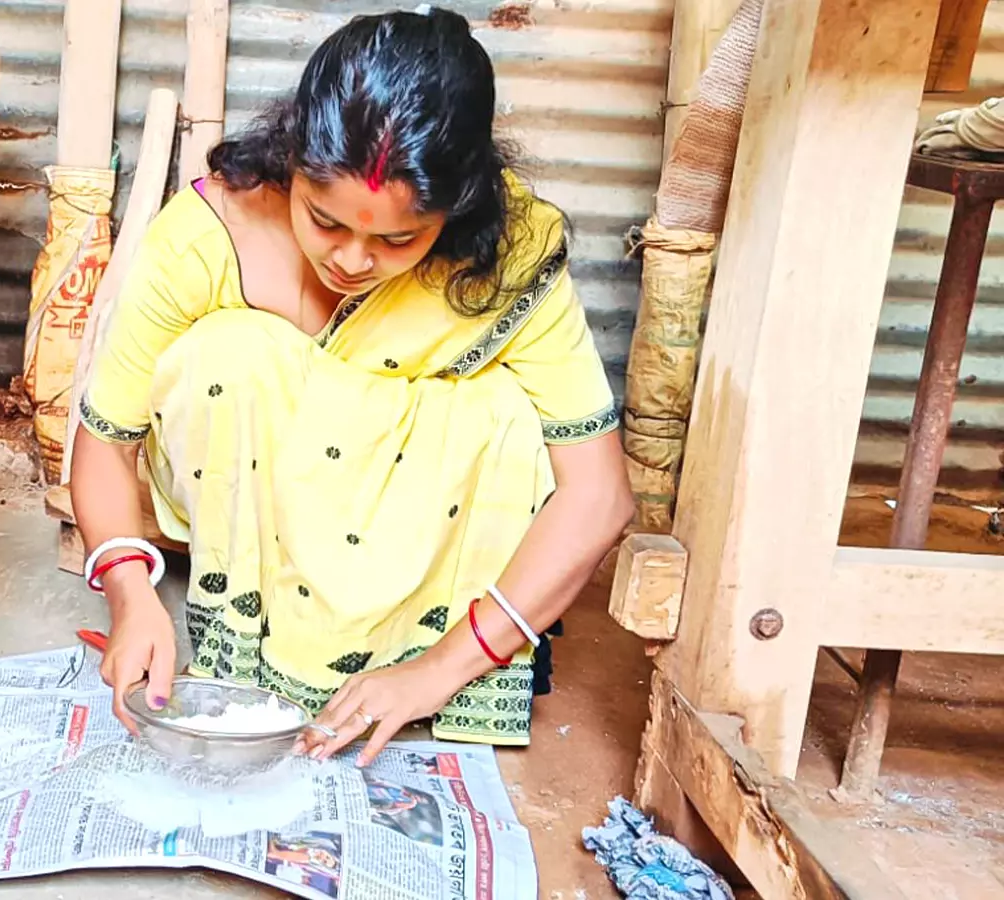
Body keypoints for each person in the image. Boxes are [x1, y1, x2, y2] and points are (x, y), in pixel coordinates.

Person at [69, 6, 633, 767]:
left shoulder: (508, 253)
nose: (353, 261)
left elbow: (598, 493)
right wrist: (131, 594)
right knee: (228, 355)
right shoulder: (207, 234)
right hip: (254, 516)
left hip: (416, 554)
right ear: (293, 159)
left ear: (457, 209)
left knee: (503, 409)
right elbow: (104, 442)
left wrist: (443, 668)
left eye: (398, 239)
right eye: (324, 219)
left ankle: (406, 659)